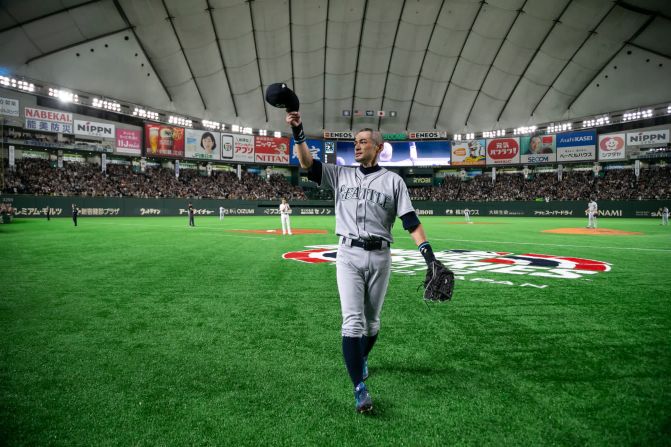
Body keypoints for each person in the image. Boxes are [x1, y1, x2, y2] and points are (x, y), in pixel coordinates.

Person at [286, 110, 440, 413]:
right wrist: (298, 130)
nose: (357, 146)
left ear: (378, 147)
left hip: (381, 256)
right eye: (356, 142)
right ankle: (359, 387)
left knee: (372, 323)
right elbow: (306, 163)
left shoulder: (394, 182)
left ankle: (361, 357)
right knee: (353, 321)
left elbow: (411, 222)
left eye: (364, 141)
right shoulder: (340, 174)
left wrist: (430, 258)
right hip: (348, 254)